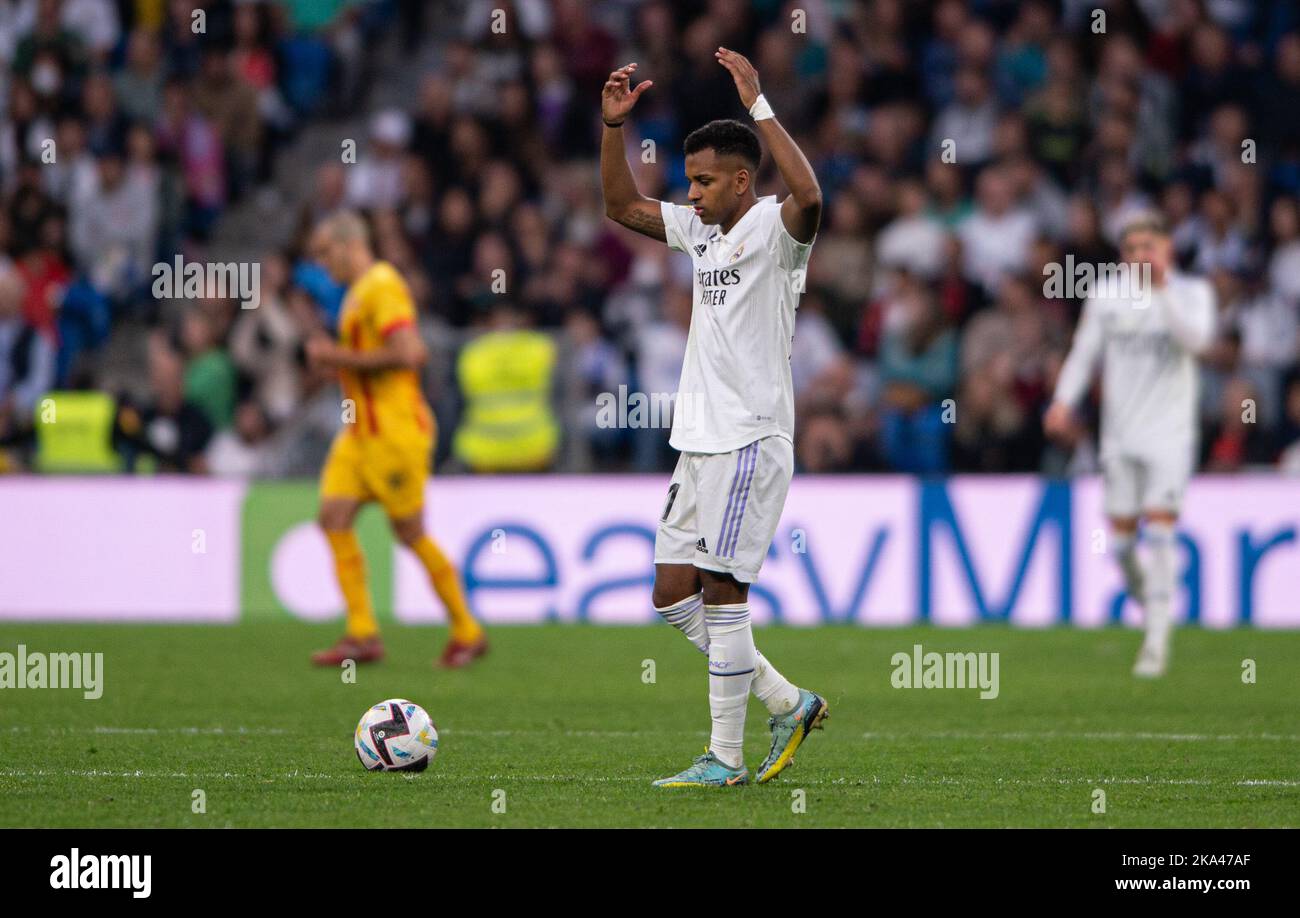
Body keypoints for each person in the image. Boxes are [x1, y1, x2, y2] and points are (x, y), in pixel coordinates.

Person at [600, 50, 826, 787]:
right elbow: (619, 206)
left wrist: (760, 106)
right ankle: (785, 701)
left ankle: (724, 758)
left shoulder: (776, 229)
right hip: (697, 441)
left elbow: (812, 196)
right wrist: (611, 126)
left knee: (725, 591)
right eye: (687, 180)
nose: (690, 193)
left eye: (702, 181)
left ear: (739, 179)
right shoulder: (700, 232)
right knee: (672, 593)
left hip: (751, 436)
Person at [305, 211, 487, 669]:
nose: (324, 265)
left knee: (409, 532)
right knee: (333, 516)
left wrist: (334, 356)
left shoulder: (381, 284)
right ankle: (363, 634)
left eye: (327, 254)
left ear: (350, 244)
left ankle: (467, 630)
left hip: (393, 431)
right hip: (359, 434)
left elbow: (409, 353)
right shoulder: (355, 295)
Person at [1045, 212, 1215, 677]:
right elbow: (1084, 353)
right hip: (1119, 437)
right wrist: (1063, 402)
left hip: (1170, 435)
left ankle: (1156, 645)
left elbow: (1198, 344)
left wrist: (1161, 294)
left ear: (1167, 250)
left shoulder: (1191, 294)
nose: (1142, 256)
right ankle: (1153, 603)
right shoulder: (1106, 295)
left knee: (1160, 533)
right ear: (1122, 255)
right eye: (1133, 248)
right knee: (1121, 545)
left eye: (1150, 247)